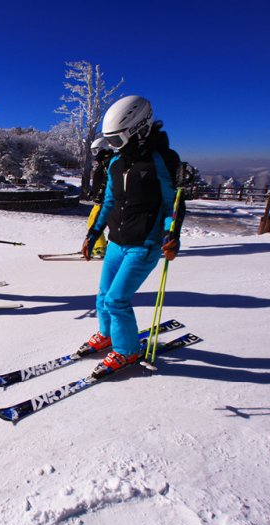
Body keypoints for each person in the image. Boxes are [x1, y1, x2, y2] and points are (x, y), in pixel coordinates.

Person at [79, 95, 185, 378]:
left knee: (116, 300)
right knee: (103, 296)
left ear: (138, 130)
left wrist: (172, 235)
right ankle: (108, 334)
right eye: (110, 141)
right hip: (116, 242)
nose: (114, 146)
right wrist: (93, 234)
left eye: (117, 139)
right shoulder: (116, 162)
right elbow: (109, 202)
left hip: (144, 244)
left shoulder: (161, 160)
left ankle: (127, 351)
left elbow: (172, 204)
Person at [87, 137, 114, 257]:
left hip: (104, 200)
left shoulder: (109, 163)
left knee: (94, 222)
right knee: (94, 221)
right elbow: (100, 181)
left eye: (96, 151)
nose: (95, 154)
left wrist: (100, 194)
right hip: (101, 199)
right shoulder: (104, 163)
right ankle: (101, 245)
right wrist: (93, 192)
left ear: (104, 149)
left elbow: (108, 181)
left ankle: (100, 247)